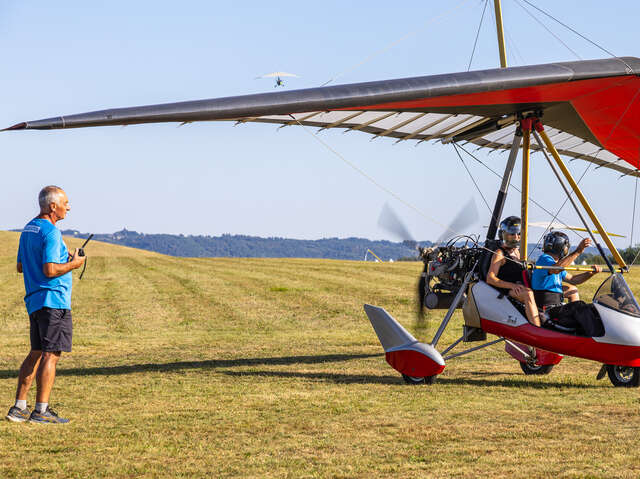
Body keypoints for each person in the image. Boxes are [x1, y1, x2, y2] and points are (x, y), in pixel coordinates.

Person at [5, 186, 85, 424]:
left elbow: (21, 266)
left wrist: (63, 259)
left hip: (35, 300)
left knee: (37, 352)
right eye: (65, 203)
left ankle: (19, 408)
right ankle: (41, 411)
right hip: (54, 300)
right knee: (51, 354)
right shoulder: (51, 232)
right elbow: (49, 270)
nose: (68, 207)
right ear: (53, 206)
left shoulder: (29, 229)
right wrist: (74, 264)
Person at [486, 216, 541, 327]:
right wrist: (512, 286)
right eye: (512, 234)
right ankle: (537, 329)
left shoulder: (519, 252)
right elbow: (490, 278)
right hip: (507, 290)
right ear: (504, 235)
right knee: (528, 294)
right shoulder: (500, 253)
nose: (516, 237)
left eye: (519, 234)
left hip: (522, 286)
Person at [531, 231, 602, 310]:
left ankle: (576, 312)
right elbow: (556, 270)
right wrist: (577, 251)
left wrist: (590, 273)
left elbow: (573, 280)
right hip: (547, 305)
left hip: (554, 302)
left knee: (573, 289)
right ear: (561, 247)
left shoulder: (555, 263)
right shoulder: (545, 259)